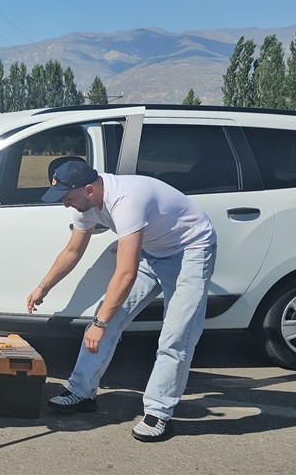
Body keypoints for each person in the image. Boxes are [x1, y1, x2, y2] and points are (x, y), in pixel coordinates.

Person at [26, 159, 217, 442]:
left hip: (190, 251)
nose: (65, 204)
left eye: (68, 197)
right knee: (106, 317)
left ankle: (158, 412)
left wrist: (100, 322)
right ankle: (81, 392)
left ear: (89, 189)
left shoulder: (126, 199)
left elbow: (126, 273)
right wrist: (43, 287)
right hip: (153, 252)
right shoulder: (85, 205)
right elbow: (72, 252)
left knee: (176, 336)